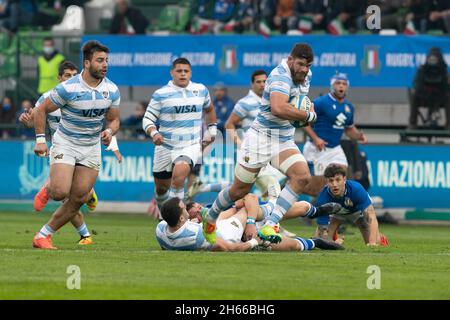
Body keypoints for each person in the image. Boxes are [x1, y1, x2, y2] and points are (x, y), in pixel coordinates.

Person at [205, 43, 318, 244]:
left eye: (308, 66)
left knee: (301, 176)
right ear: (290, 60)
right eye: (300, 64)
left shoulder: (306, 76)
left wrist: (307, 110)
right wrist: (307, 115)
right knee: (238, 191)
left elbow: (300, 103)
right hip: (259, 140)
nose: (304, 69)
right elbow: (278, 108)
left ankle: (271, 224)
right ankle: (211, 217)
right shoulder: (280, 76)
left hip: (283, 140)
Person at [31, 40, 121, 249]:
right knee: (59, 193)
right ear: (87, 63)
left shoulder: (112, 90)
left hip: (91, 147)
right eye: (100, 60)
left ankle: (42, 236)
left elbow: (114, 119)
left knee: (79, 197)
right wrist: (41, 141)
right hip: (66, 143)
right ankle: (50, 186)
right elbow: (41, 109)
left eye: (106, 60)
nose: (105, 64)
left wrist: (109, 131)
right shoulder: (69, 88)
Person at [142, 57, 217, 210]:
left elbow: (209, 109)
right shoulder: (161, 94)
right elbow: (147, 119)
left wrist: (212, 130)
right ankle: (165, 215)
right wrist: (154, 133)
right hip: (165, 147)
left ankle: (177, 220)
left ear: (190, 73)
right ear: (172, 73)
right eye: (179, 71)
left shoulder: (201, 90)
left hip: (189, 145)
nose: (183, 74)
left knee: (178, 179)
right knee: (161, 189)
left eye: (186, 71)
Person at [156, 195, 343, 252]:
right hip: (234, 232)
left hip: (225, 222)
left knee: (252, 205)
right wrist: (253, 242)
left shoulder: (162, 230)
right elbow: (225, 247)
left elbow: (170, 241)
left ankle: (315, 214)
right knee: (258, 206)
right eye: (186, 209)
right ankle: (315, 240)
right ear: (182, 218)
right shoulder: (196, 234)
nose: (192, 210)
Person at [303, 72, 367, 196]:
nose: (341, 86)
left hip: (335, 149)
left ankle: (333, 211)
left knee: (340, 178)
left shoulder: (348, 108)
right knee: (317, 189)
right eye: (338, 83)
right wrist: (316, 139)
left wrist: (359, 136)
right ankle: (289, 186)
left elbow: (349, 130)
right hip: (317, 149)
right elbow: (303, 123)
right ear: (332, 86)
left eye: (344, 84)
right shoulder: (320, 102)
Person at [315, 164, 389, 247]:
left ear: (344, 179)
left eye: (338, 180)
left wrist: (372, 243)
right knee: (320, 241)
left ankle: (381, 238)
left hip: (355, 211)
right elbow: (322, 229)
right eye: (331, 181)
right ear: (327, 182)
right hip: (336, 213)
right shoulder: (322, 199)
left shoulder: (356, 190)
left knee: (374, 240)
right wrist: (332, 244)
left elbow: (372, 217)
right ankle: (334, 236)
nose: (334, 184)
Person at [408, 47, 449, 130]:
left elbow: (447, 88)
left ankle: (449, 125)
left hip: (439, 98)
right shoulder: (422, 69)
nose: (433, 61)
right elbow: (416, 84)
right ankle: (413, 123)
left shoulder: (444, 70)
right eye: (431, 59)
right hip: (424, 96)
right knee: (413, 95)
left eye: (435, 59)